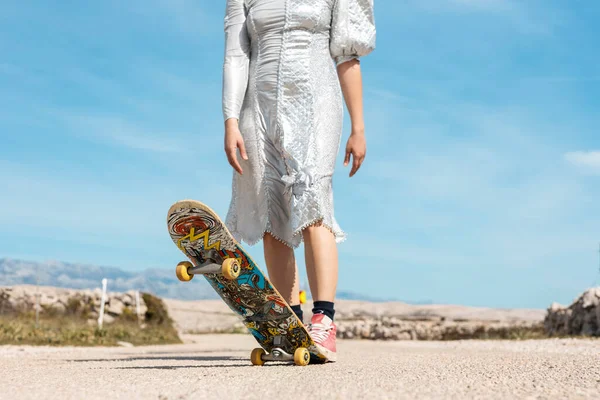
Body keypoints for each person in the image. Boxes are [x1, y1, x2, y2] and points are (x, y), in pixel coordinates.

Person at [221, 0, 376, 361]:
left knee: (312, 200)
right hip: (257, 106)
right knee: (270, 209)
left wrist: (359, 127)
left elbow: (348, 56)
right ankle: (289, 322)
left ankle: (324, 319)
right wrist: (230, 120)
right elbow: (235, 56)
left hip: (316, 100)